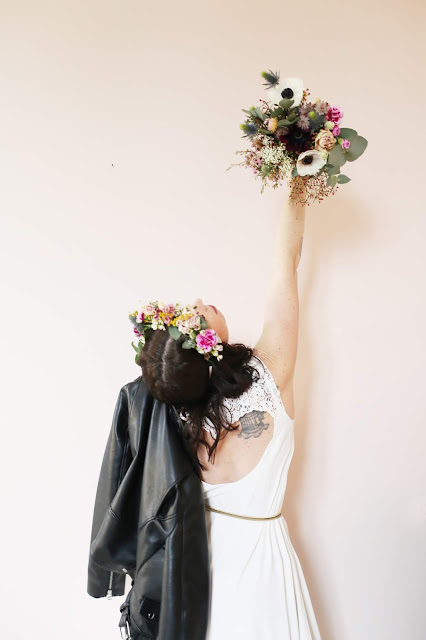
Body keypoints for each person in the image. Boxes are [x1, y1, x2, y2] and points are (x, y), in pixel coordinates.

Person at [135, 178, 321, 639]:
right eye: (195, 316)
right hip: (264, 562)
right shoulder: (271, 372)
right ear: (205, 346)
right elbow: (285, 265)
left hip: (198, 570)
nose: (201, 302)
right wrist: (298, 179)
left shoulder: (173, 417)